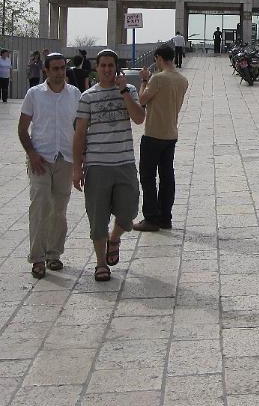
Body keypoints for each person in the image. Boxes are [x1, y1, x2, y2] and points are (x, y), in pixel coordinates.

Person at [72, 49, 145, 282]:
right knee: (98, 216)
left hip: (124, 162)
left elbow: (139, 118)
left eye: (110, 66)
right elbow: (80, 133)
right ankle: (101, 263)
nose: (106, 70)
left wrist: (123, 90)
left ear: (117, 67)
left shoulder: (129, 90)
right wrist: (77, 167)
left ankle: (115, 238)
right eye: (102, 65)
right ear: (96, 68)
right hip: (97, 165)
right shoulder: (88, 97)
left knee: (129, 212)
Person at [18, 53, 82, 279]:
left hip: (65, 159)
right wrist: (32, 153)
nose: (59, 73)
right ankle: (37, 257)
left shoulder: (74, 95)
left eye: (62, 68)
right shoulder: (34, 95)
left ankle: (54, 253)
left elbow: (81, 129)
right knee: (40, 206)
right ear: (46, 70)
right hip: (40, 160)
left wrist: (80, 162)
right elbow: (22, 128)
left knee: (59, 209)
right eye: (54, 69)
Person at [133, 45, 189, 232]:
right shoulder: (182, 80)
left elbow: (142, 100)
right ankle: (166, 216)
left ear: (158, 58)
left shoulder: (157, 78)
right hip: (171, 133)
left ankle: (151, 216)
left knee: (148, 177)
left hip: (153, 133)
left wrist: (143, 80)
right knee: (167, 177)